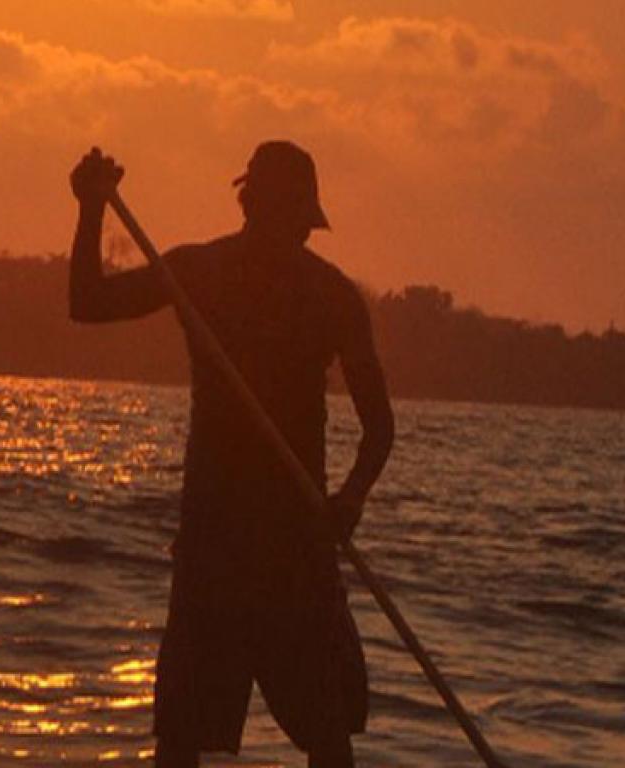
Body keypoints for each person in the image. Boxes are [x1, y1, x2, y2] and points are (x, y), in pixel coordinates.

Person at [68, 141, 395, 768]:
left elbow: (379, 428)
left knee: (328, 732)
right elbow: (88, 304)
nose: (297, 233)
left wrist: (351, 499)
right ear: (255, 208)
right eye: (288, 217)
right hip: (214, 544)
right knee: (183, 735)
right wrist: (90, 208)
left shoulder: (330, 295)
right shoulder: (200, 273)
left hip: (296, 544)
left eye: (301, 221)